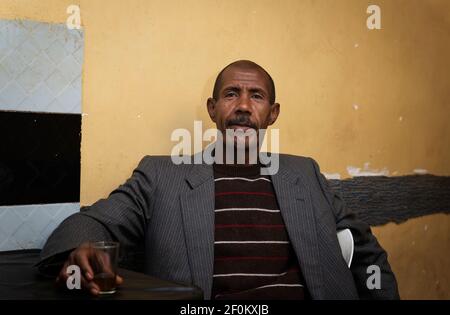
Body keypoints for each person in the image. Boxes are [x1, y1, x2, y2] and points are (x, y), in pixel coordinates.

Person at [38, 60, 399, 299]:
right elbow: (88, 222)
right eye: (231, 94)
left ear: (272, 114)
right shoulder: (162, 175)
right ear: (212, 110)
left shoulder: (304, 172)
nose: (243, 106)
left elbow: (366, 251)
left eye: (256, 96)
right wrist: (80, 251)